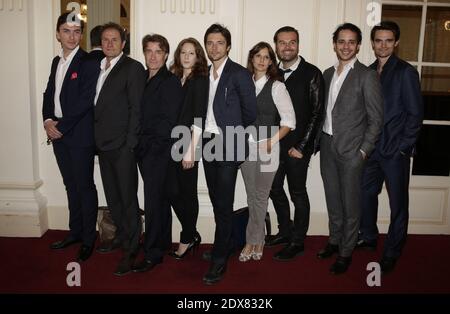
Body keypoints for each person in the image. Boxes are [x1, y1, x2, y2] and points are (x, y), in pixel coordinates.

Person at [315, 23, 383, 274]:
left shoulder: (367, 75)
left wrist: (363, 151)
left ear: (358, 45)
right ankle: (334, 240)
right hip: (327, 145)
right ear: (334, 44)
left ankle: (346, 251)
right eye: (341, 41)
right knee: (333, 199)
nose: (346, 46)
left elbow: (376, 119)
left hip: (353, 150)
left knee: (350, 204)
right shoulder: (326, 73)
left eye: (351, 42)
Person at [357, 21, 423, 274]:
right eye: (378, 40)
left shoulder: (405, 72)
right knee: (365, 195)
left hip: (395, 151)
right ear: (372, 44)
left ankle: (393, 250)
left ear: (395, 43)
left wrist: (403, 147)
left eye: (388, 40)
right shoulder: (369, 70)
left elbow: (415, 114)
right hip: (371, 150)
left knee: (398, 205)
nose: (382, 45)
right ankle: (369, 236)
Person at [201, 24, 257, 285]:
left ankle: (220, 258)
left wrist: (233, 136)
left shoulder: (239, 73)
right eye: (210, 42)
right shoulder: (204, 73)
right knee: (216, 201)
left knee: (223, 204)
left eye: (219, 43)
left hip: (229, 144)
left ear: (228, 46)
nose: (214, 47)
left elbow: (251, 113)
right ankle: (224, 244)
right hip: (207, 143)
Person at [44, 13, 100, 262]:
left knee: (85, 187)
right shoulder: (57, 61)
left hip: (78, 136)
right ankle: (75, 231)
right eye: (66, 31)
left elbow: (85, 101)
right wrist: (47, 121)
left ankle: (89, 239)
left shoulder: (88, 62)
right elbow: (49, 94)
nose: (72, 36)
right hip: (58, 135)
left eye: (77, 31)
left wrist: (61, 126)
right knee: (70, 186)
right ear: (58, 34)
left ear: (81, 35)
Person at [266, 26, 325, 262]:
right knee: (273, 188)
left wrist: (302, 146)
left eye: (292, 42)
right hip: (274, 145)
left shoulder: (312, 73)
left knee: (297, 193)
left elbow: (317, 114)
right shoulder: (271, 73)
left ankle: (298, 241)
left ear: (298, 45)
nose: (287, 47)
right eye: (282, 42)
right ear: (276, 45)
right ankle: (285, 231)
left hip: (297, 148)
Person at [94, 22, 146, 276]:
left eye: (115, 39)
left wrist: (130, 144)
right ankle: (121, 236)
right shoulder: (98, 67)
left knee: (128, 200)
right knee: (113, 196)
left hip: (123, 146)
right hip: (102, 145)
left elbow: (137, 109)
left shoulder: (133, 68)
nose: (110, 43)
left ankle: (132, 248)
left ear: (124, 43)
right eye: (105, 39)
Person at [131, 34, 184, 273]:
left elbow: (169, 121)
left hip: (159, 151)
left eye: (158, 51)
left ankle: (152, 253)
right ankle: (161, 244)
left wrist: (147, 143)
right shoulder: (142, 77)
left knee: (152, 202)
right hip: (145, 150)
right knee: (159, 200)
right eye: (149, 51)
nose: (153, 56)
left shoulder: (170, 81)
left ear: (165, 55)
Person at [239, 42, 296, 262]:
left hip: (268, 147)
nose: (262, 60)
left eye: (266, 57)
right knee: (251, 195)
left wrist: (271, 142)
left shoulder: (277, 87)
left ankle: (253, 241)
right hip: (244, 146)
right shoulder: (244, 84)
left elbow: (289, 121)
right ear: (252, 59)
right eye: (258, 56)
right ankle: (257, 237)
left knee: (261, 196)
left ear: (271, 61)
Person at [167, 38, 209, 260]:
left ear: (198, 56)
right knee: (172, 191)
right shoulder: (174, 77)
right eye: (183, 52)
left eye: (191, 53)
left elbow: (199, 117)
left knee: (187, 193)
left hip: (188, 142)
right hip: (171, 142)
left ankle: (186, 237)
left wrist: (192, 149)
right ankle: (192, 234)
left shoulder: (200, 80)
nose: (186, 56)